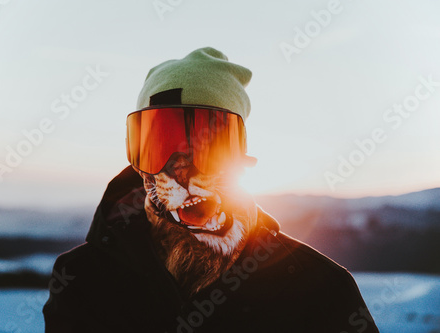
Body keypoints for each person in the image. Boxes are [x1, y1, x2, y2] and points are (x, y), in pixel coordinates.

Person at [43, 47, 379, 332]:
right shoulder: (82, 279)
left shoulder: (320, 287)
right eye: (160, 142)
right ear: (137, 159)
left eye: (207, 144)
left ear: (239, 153)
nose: (182, 170)